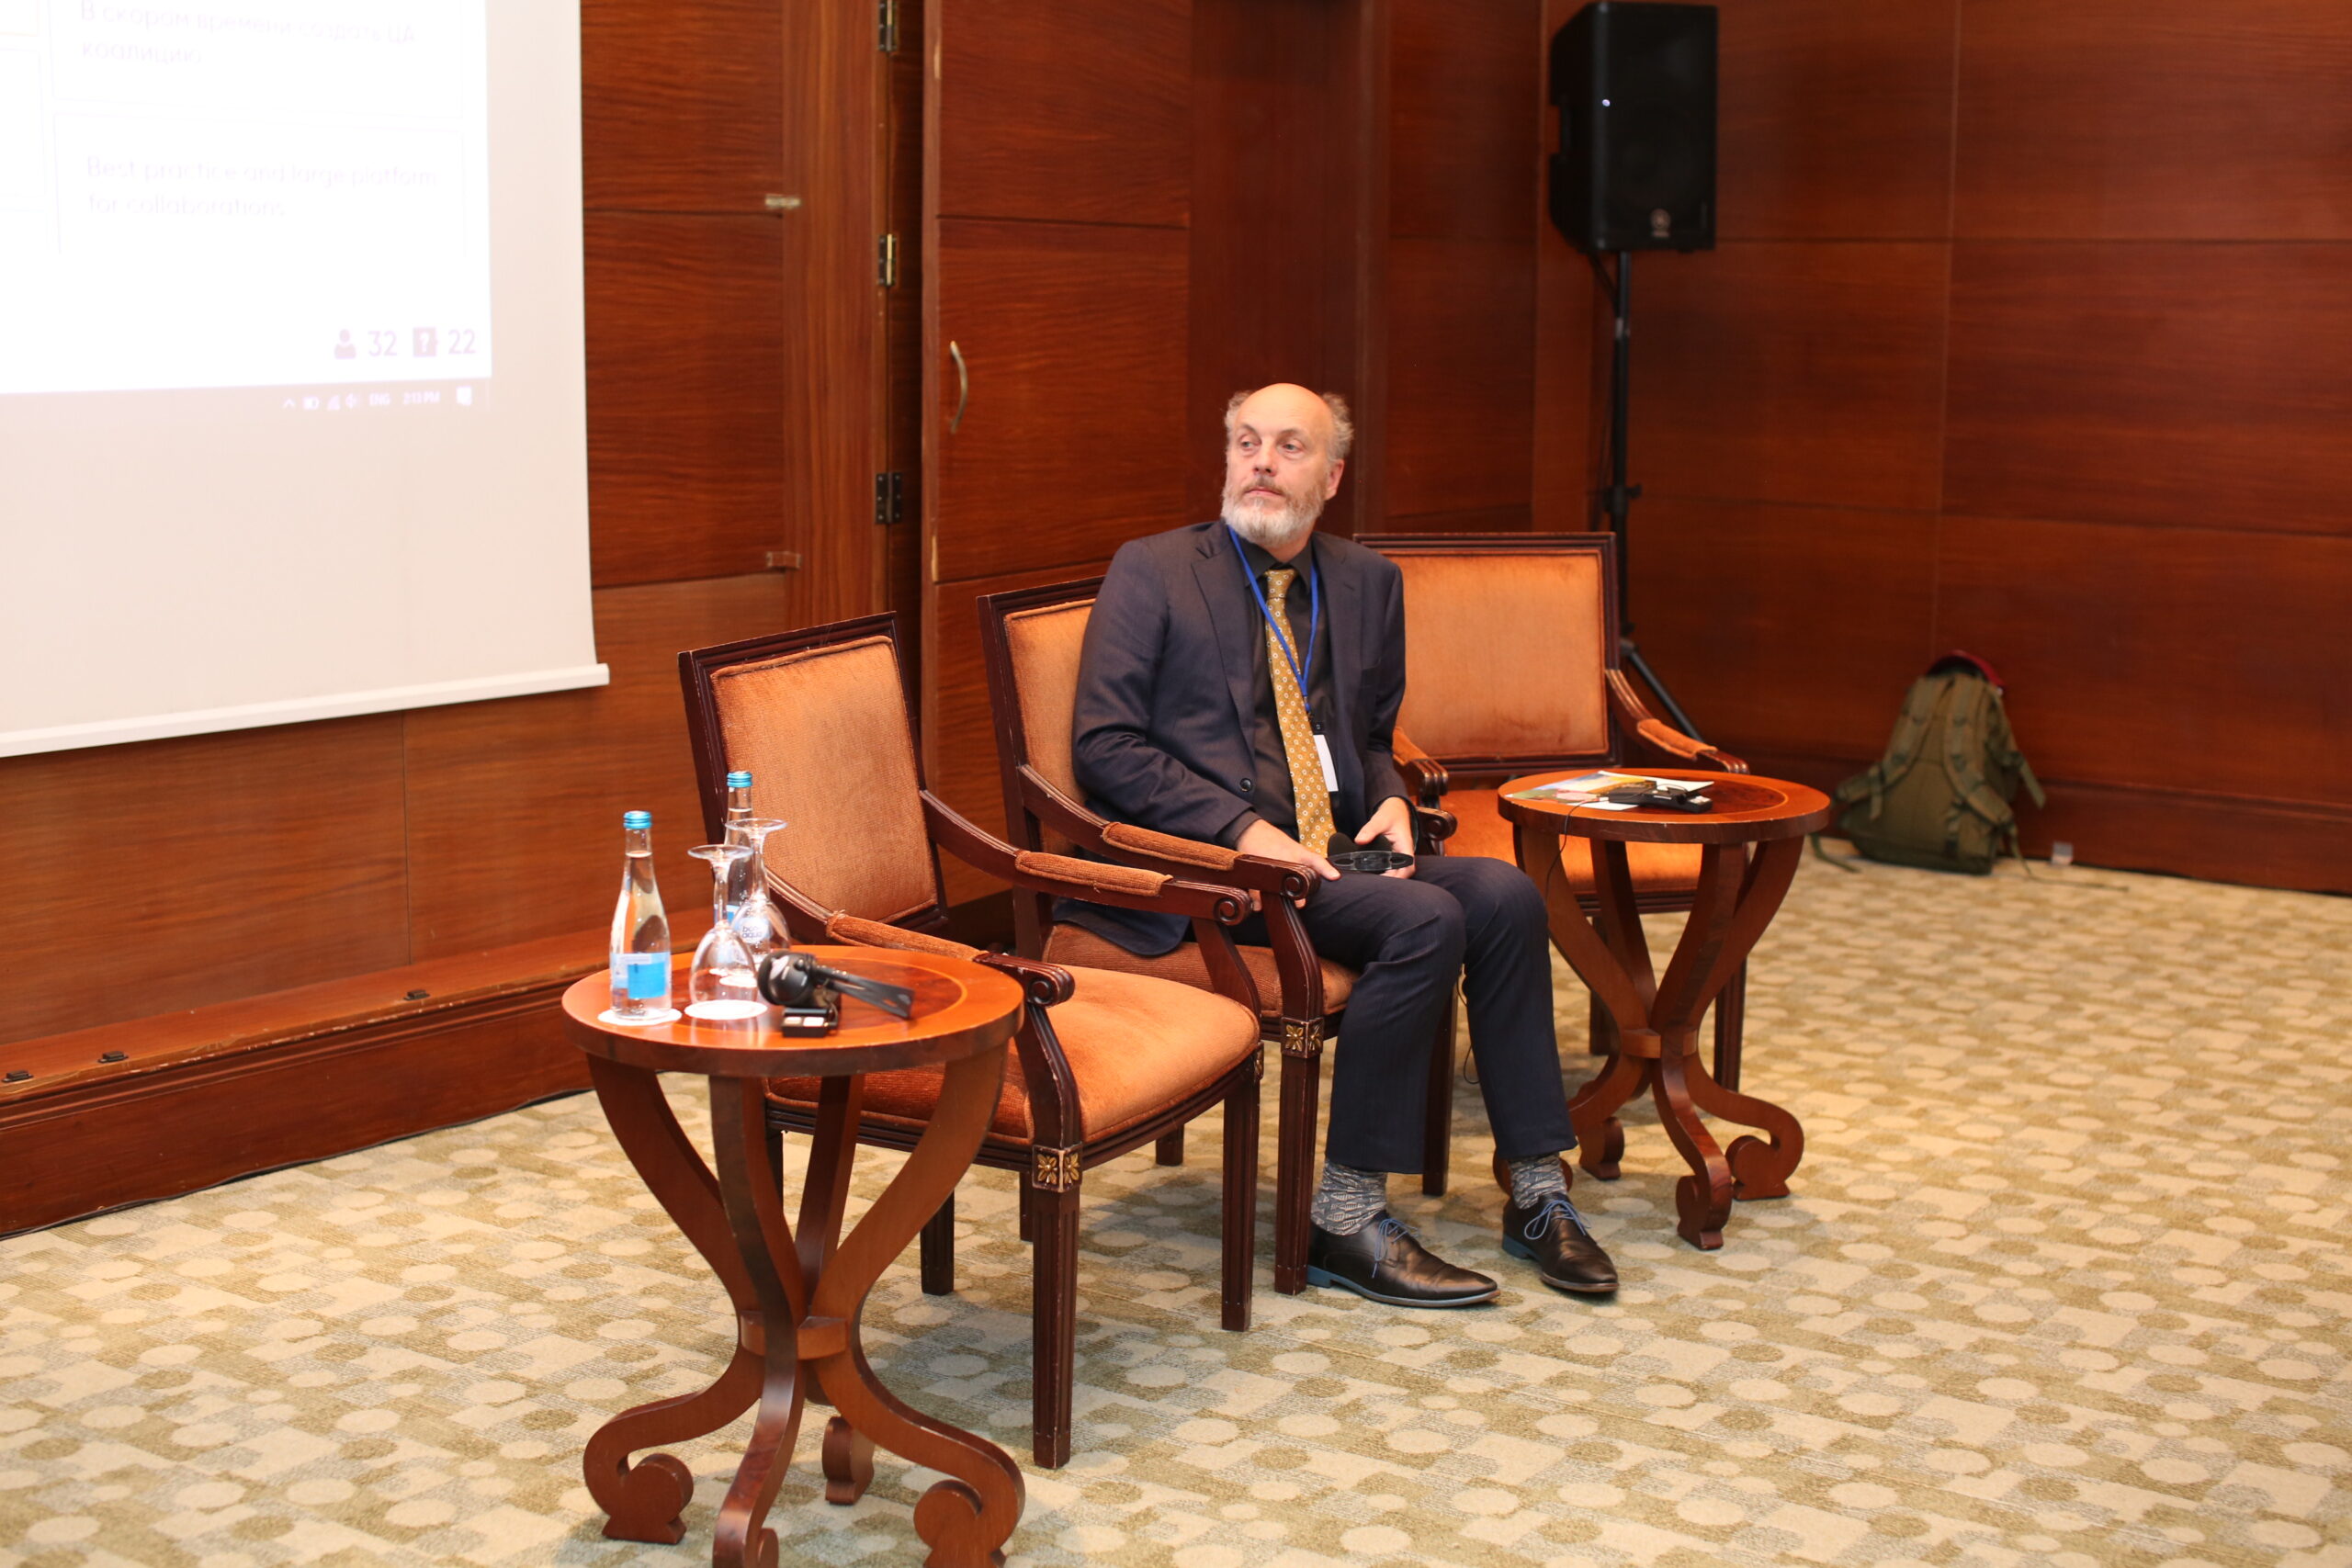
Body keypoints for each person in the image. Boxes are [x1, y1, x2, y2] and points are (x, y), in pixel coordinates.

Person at [1066, 382, 1616, 1306]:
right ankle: (1345, 1216)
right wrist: (1244, 832)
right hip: (1214, 873)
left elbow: (1366, 736)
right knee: (1425, 920)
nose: (1262, 463)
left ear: (1331, 476)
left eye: (1290, 447)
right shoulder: (1153, 570)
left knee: (1507, 895)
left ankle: (1534, 1191)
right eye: (1246, 442)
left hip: (1333, 857)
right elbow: (1105, 746)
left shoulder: (1365, 582)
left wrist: (1391, 798)